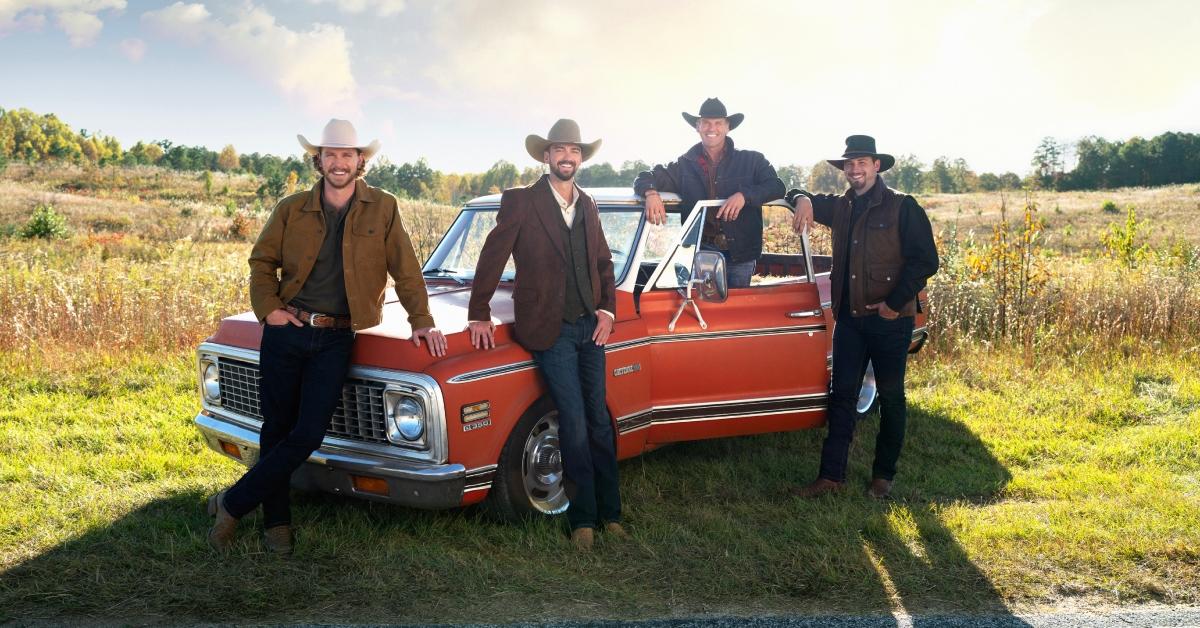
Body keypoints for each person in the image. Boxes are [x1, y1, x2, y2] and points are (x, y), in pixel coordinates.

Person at [207, 119, 448, 554]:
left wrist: (422, 321)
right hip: (287, 331)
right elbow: (261, 263)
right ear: (318, 160)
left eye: (348, 155)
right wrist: (271, 311)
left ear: (361, 161)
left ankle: (233, 501)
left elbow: (407, 270)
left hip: (336, 338)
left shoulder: (384, 207)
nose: (339, 162)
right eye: (331, 155)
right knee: (276, 430)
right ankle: (276, 523)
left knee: (309, 432)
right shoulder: (291, 207)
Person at [467, 119, 624, 551]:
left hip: (590, 327)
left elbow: (604, 264)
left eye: (573, 150)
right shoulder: (522, 201)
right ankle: (582, 520)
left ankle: (611, 512)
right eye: (559, 150)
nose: (566, 157)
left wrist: (607, 309)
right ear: (545, 156)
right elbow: (492, 255)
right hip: (548, 329)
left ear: (580, 158)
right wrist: (478, 312)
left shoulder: (588, 204)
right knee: (572, 420)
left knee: (598, 419)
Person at [787, 135, 939, 499]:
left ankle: (882, 478)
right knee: (842, 396)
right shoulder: (841, 207)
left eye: (861, 163)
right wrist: (804, 199)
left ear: (876, 166)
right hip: (850, 322)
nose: (854, 170)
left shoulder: (903, 206)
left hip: (890, 321)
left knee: (891, 399)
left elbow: (925, 261)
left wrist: (893, 303)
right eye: (848, 164)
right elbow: (791, 190)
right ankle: (831, 478)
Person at [632, 98, 785, 288]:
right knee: (702, 309)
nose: (712, 128)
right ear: (698, 126)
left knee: (738, 311)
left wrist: (744, 196)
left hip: (742, 253)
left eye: (718, 123)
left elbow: (777, 186)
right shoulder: (684, 165)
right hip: (702, 251)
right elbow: (645, 177)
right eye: (706, 122)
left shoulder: (752, 160)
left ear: (728, 127)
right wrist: (651, 193)